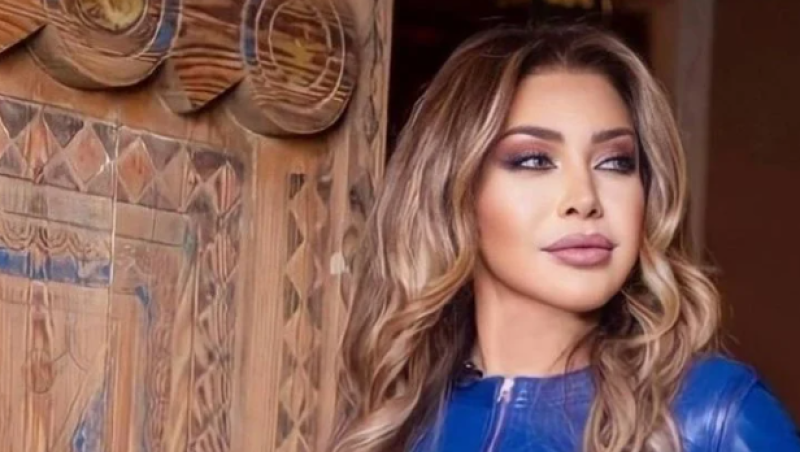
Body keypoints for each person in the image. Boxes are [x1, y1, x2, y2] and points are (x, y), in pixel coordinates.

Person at [329, 24, 800, 452]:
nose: (585, 199)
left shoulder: (714, 416)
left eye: (615, 162)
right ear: (455, 191)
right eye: (534, 160)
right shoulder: (398, 422)